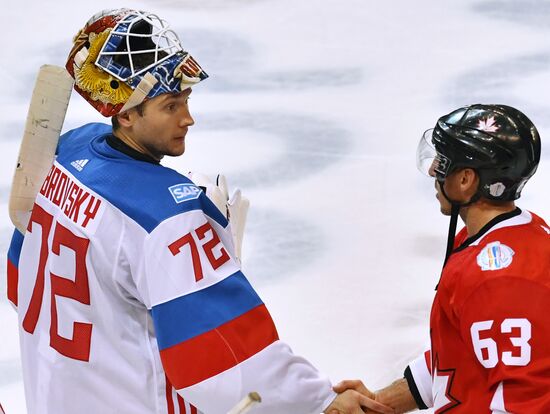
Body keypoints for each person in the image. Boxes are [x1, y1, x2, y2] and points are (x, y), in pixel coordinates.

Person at [5, 8, 393, 414]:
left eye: (185, 99)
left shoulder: (68, 151)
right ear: (124, 112)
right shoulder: (167, 217)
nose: (188, 118)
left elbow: (21, 280)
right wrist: (320, 402)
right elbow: (225, 360)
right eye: (170, 105)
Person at [331, 104, 550, 413]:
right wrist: (377, 404)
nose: (434, 170)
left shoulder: (500, 279)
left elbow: (526, 401)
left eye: (444, 162)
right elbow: (460, 358)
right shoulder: (496, 237)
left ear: (466, 180)